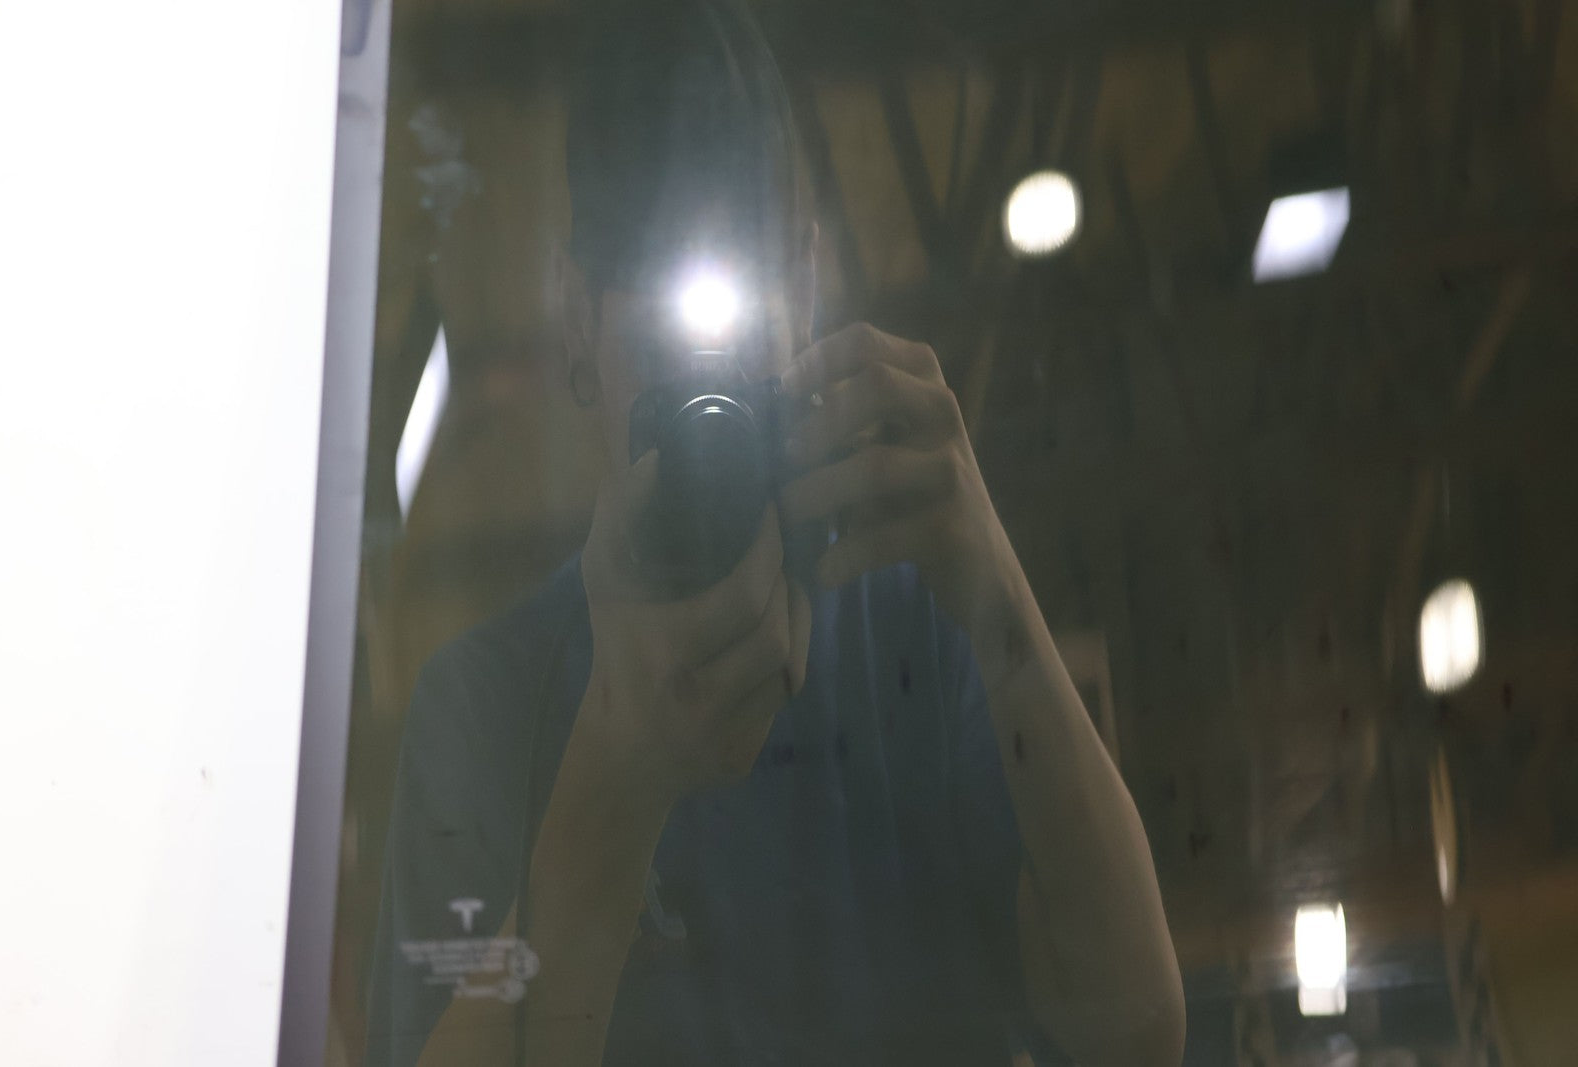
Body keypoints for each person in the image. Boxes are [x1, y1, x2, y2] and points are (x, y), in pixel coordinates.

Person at [367, 1, 1184, 1064]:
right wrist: (617, 775)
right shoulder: (481, 703)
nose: (708, 390)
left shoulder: (913, 626)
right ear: (576, 319)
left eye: (736, 320)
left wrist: (996, 593)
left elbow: (1139, 1035)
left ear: (804, 286)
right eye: (665, 334)